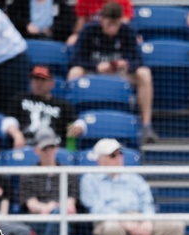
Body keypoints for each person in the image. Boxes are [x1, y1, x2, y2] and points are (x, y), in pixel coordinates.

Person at [80, 138, 185, 235]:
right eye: (113, 155)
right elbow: (96, 208)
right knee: (112, 228)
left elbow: (147, 202)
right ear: (100, 160)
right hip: (108, 220)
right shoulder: (89, 179)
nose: (118, 158)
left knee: (175, 226)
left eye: (120, 154)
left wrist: (147, 221)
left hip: (138, 217)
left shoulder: (134, 178)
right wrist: (123, 220)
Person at [67, 1, 158, 144]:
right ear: (101, 19)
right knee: (74, 72)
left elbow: (139, 60)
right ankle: (72, 123)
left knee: (144, 73)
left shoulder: (127, 31)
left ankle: (146, 126)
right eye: (109, 24)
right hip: (94, 74)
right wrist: (96, 66)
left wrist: (127, 65)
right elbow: (75, 59)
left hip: (121, 75)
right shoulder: (89, 30)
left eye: (116, 24)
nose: (113, 28)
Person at [20, 127, 80, 235]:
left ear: (57, 147)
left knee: (62, 220)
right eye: (44, 148)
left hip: (63, 218)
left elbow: (71, 202)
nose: (48, 151)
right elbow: (31, 204)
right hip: (38, 221)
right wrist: (47, 208)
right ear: (36, 150)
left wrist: (54, 207)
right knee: (62, 225)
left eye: (51, 146)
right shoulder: (28, 173)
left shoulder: (68, 172)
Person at [2, 65, 87, 149]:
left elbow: (77, 123)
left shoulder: (63, 105)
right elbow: (8, 121)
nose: (38, 83)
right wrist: (17, 135)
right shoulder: (19, 99)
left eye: (42, 79)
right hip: (27, 146)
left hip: (53, 149)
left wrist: (79, 127)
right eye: (35, 79)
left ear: (52, 83)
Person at [67, 0, 132, 45]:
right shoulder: (85, 0)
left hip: (115, 36)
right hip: (91, 36)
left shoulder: (122, 1)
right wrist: (76, 34)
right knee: (72, 39)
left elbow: (124, 23)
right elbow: (80, 23)